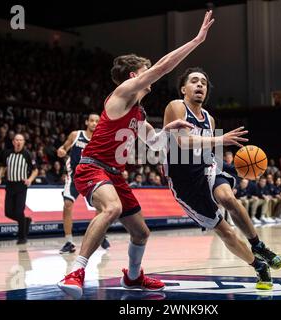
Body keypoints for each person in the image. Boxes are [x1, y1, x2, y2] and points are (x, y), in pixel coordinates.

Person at [58, 11, 215, 299]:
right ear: (134, 76)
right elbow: (165, 66)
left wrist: (169, 128)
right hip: (92, 167)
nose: (151, 74)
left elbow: (154, 142)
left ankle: (132, 278)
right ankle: (76, 270)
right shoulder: (123, 92)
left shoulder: (138, 112)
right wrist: (196, 40)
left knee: (141, 232)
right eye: (146, 70)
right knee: (112, 208)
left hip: (114, 175)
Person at [163, 67, 281, 290]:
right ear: (183, 89)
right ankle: (258, 265)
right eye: (194, 81)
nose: (200, 85)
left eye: (204, 83)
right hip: (185, 183)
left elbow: (209, 155)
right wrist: (222, 139)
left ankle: (258, 245)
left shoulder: (208, 118)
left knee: (227, 198)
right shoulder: (176, 106)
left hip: (205, 168)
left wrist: (235, 168)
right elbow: (182, 142)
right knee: (225, 230)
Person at [56, 113, 111, 254]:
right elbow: (63, 148)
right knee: (67, 205)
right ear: (87, 122)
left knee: (102, 207)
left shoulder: (101, 139)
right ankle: (69, 241)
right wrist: (61, 151)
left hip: (92, 177)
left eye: (96, 121)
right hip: (74, 176)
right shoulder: (76, 135)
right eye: (91, 120)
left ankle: (100, 235)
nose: (94, 123)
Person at [0, 134, 38, 244]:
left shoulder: (27, 154)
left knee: (19, 212)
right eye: (16, 140)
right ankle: (26, 221)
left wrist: (29, 179)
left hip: (21, 186)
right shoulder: (7, 153)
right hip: (9, 185)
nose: (19, 142)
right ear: (13, 142)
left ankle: (22, 237)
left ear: (24, 142)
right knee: (8, 212)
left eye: (21, 140)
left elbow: (35, 170)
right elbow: (2, 166)